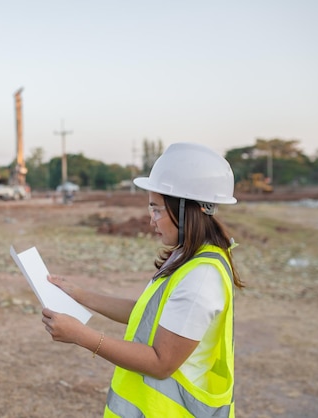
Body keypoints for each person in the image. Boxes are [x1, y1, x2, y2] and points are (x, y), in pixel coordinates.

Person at [41, 142, 244, 417]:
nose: (151, 220)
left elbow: (161, 362)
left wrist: (81, 336)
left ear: (187, 210)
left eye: (157, 210)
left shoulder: (201, 277)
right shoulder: (186, 256)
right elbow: (146, 313)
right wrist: (78, 293)